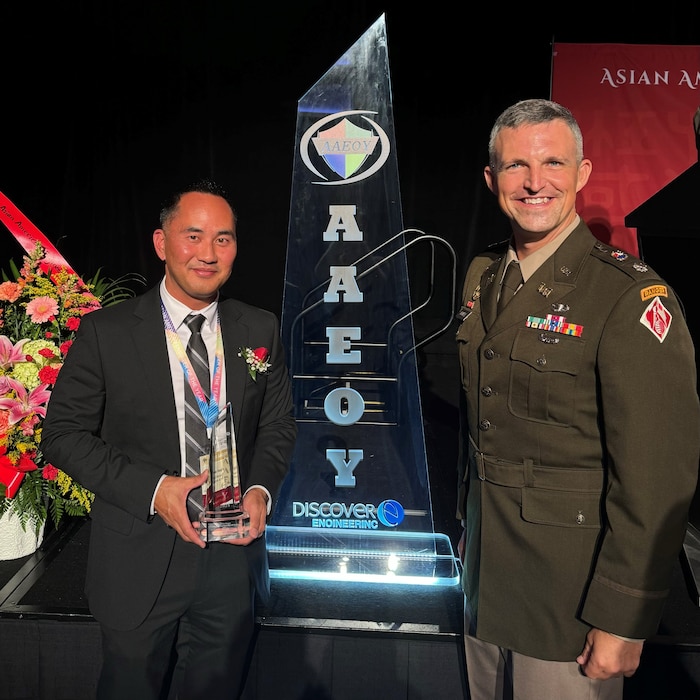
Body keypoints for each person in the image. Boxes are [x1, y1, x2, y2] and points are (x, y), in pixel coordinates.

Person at [455, 98, 700, 699]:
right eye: (516, 167)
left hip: (570, 598)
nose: (535, 183)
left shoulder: (629, 296)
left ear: (583, 174)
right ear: (492, 180)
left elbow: (656, 477)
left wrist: (623, 613)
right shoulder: (483, 272)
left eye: (553, 164)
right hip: (485, 585)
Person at [42, 178, 297, 699]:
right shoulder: (107, 332)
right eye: (194, 236)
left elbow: (276, 425)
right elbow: (63, 435)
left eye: (223, 239)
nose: (208, 253)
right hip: (140, 554)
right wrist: (156, 489)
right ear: (162, 244)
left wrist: (260, 490)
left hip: (231, 556)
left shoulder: (259, 329)